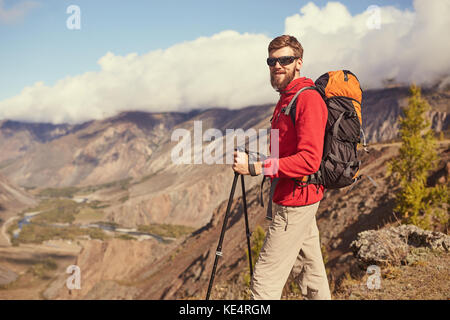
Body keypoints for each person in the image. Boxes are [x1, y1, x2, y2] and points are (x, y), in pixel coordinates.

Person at [232, 35, 331, 300]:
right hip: (294, 197)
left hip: (295, 201)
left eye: (285, 60)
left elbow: (309, 159)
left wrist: (255, 167)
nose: (277, 65)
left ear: (299, 63)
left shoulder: (307, 100)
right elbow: (287, 153)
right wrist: (258, 158)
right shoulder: (286, 99)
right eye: (272, 60)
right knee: (311, 275)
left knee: (263, 285)